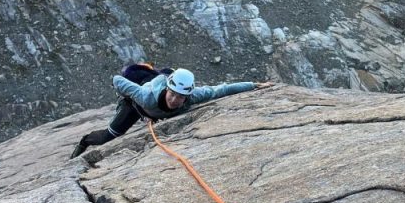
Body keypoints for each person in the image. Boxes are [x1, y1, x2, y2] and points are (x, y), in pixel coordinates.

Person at [71, 67, 274, 157]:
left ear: (187, 96)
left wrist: (254, 85)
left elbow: (221, 89)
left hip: (149, 108)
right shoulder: (146, 96)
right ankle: (83, 142)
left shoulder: (193, 96)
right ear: (167, 89)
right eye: (173, 94)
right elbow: (117, 80)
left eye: (180, 97)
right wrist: (130, 99)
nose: (175, 100)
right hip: (134, 106)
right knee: (110, 137)